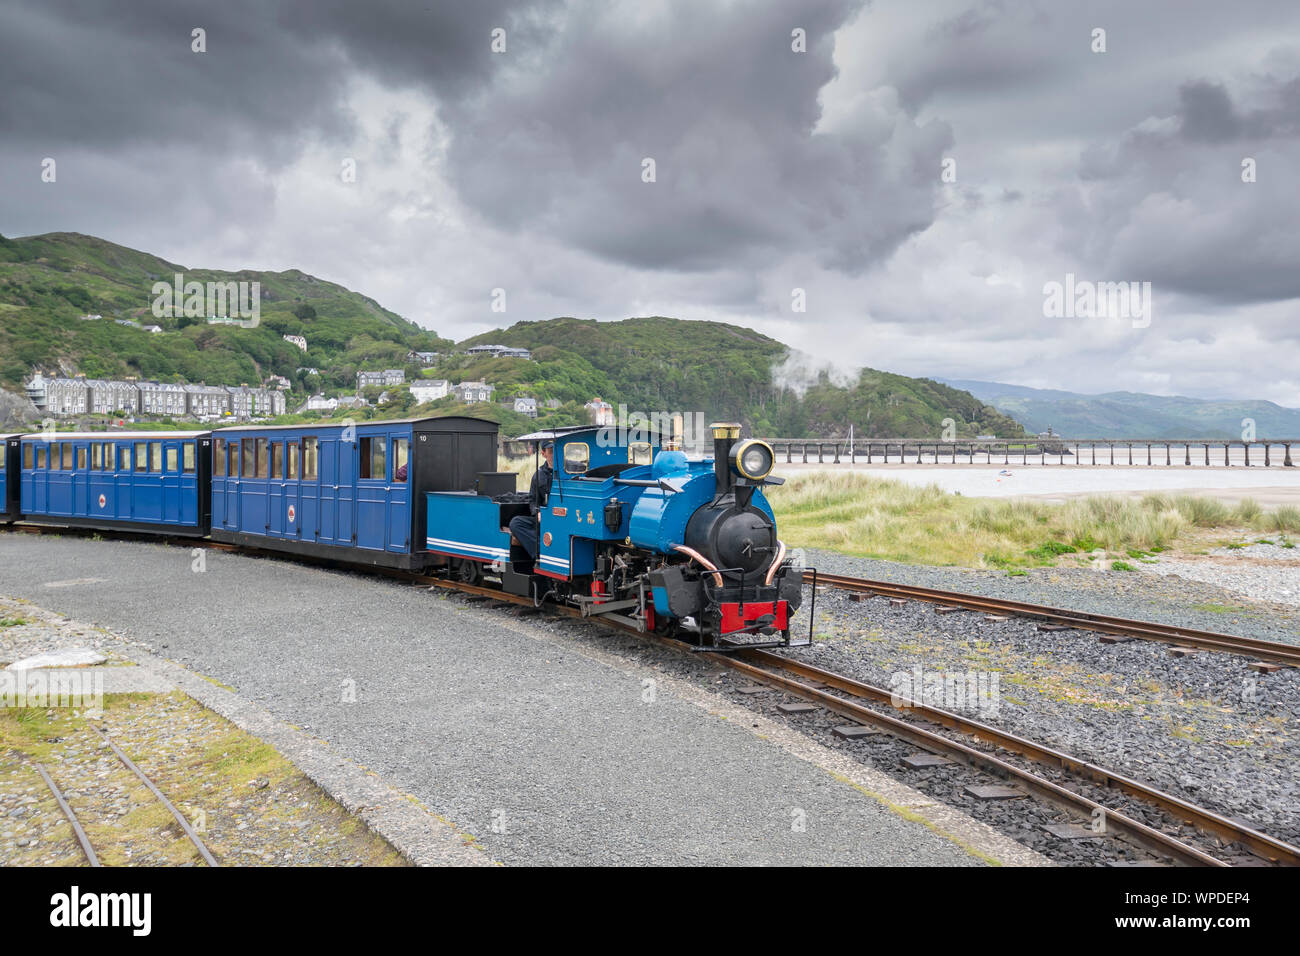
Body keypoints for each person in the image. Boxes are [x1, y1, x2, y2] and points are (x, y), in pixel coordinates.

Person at [508, 440, 553, 560]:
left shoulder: (571, 470)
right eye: (551, 451)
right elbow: (533, 499)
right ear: (544, 454)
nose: (554, 454)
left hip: (562, 516)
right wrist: (537, 512)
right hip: (545, 516)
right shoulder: (538, 476)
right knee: (516, 523)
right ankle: (539, 552)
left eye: (556, 451)